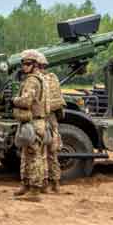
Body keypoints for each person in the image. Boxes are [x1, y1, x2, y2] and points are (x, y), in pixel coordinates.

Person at [11, 49, 49, 197]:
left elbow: (26, 101)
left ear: (35, 65)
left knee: (34, 156)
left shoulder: (32, 81)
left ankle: (34, 190)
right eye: (23, 63)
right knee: (27, 156)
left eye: (27, 64)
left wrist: (14, 100)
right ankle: (26, 185)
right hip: (34, 121)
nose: (24, 67)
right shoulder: (40, 79)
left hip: (33, 122)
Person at [37, 53, 65, 193]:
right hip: (53, 121)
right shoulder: (53, 79)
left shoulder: (37, 80)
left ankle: (44, 183)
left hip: (41, 120)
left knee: (40, 154)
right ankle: (56, 183)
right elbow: (59, 103)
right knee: (52, 154)